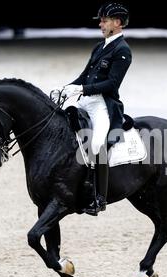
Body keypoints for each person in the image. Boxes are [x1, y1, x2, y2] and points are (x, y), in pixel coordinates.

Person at [52, 2, 132, 215]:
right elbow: (84, 75)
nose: (100, 24)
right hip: (84, 98)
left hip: (102, 104)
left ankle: (99, 197)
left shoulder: (123, 50)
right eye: (101, 20)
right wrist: (67, 87)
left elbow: (112, 84)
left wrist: (82, 89)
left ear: (117, 23)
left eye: (104, 20)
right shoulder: (100, 47)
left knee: (97, 145)